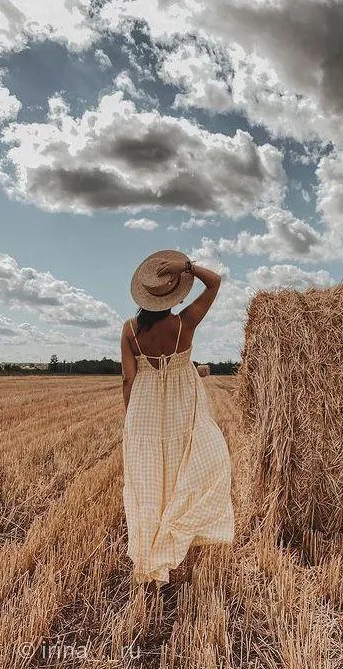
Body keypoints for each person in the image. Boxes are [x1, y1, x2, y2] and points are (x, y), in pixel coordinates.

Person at [120, 249, 234, 591]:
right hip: (183, 407)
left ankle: (151, 551)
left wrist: (131, 419)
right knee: (189, 470)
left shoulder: (129, 330)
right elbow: (214, 284)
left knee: (149, 482)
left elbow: (128, 379)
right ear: (174, 294)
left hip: (145, 409)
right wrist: (187, 267)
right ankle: (176, 537)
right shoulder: (185, 323)